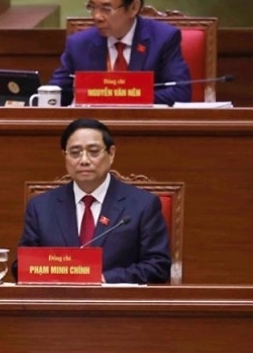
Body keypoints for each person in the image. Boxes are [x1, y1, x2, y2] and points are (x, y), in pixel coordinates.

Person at [18, 118, 170, 284]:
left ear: (111, 154)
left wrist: (104, 279)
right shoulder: (41, 207)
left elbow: (158, 266)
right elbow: (23, 266)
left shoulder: (142, 205)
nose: (84, 160)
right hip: (58, 304)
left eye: (93, 151)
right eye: (75, 152)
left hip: (116, 305)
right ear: (65, 156)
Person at [50, 0, 191, 107]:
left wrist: (119, 97)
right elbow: (56, 93)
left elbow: (180, 92)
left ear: (133, 8)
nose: (97, 16)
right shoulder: (79, 44)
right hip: (93, 126)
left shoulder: (163, 38)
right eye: (92, 7)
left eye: (106, 9)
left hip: (143, 125)